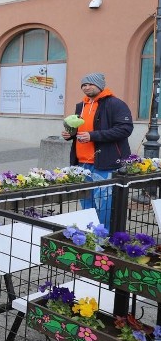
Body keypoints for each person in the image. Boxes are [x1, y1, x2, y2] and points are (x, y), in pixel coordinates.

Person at [60, 72, 133, 228]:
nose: (87, 88)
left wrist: (93, 136)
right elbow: (79, 129)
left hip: (105, 163)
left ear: (100, 85)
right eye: (84, 85)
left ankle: (105, 236)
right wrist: (70, 134)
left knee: (105, 205)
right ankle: (90, 234)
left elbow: (125, 129)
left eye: (90, 84)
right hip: (81, 164)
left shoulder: (115, 104)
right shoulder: (81, 105)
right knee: (86, 203)